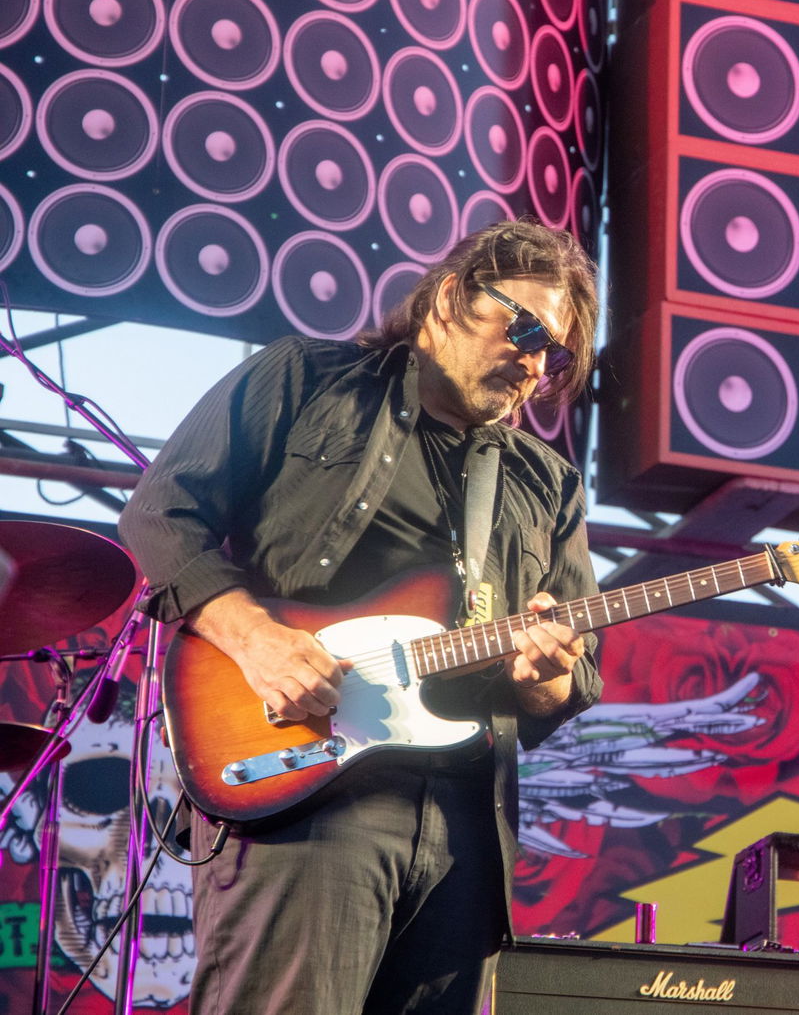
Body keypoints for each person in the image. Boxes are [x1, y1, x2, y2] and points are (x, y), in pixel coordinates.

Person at [118, 218, 603, 1014]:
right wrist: (257, 641)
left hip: (465, 827)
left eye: (554, 355)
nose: (534, 362)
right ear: (451, 296)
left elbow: (571, 683)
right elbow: (160, 516)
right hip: (304, 786)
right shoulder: (307, 379)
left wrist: (544, 675)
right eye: (526, 330)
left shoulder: (548, 484)